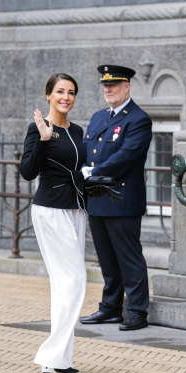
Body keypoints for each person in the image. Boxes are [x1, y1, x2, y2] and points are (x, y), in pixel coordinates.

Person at [20, 73, 86, 373]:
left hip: (75, 211)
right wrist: (45, 140)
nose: (66, 97)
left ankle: (59, 360)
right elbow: (28, 172)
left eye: (71, 92)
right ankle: (51, 353)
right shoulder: (38, 129)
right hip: (50, 211)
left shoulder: (77, 130)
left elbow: (75, 168)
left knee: (65, 286)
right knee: (74, 282)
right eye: (60, 91)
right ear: (49, 95)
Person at [79, 64, 153, 331]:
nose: (108, 89)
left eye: (114, 85)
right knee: (107, 259)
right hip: (98, 198)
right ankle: (110, 308)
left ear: (127, 87)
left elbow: (127, 156)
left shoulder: (138, 119)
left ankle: (136, 311)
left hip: (122, 199)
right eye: (105, 85)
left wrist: (94, 171)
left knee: (129, 258)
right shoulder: (99, 117)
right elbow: (88, 150)